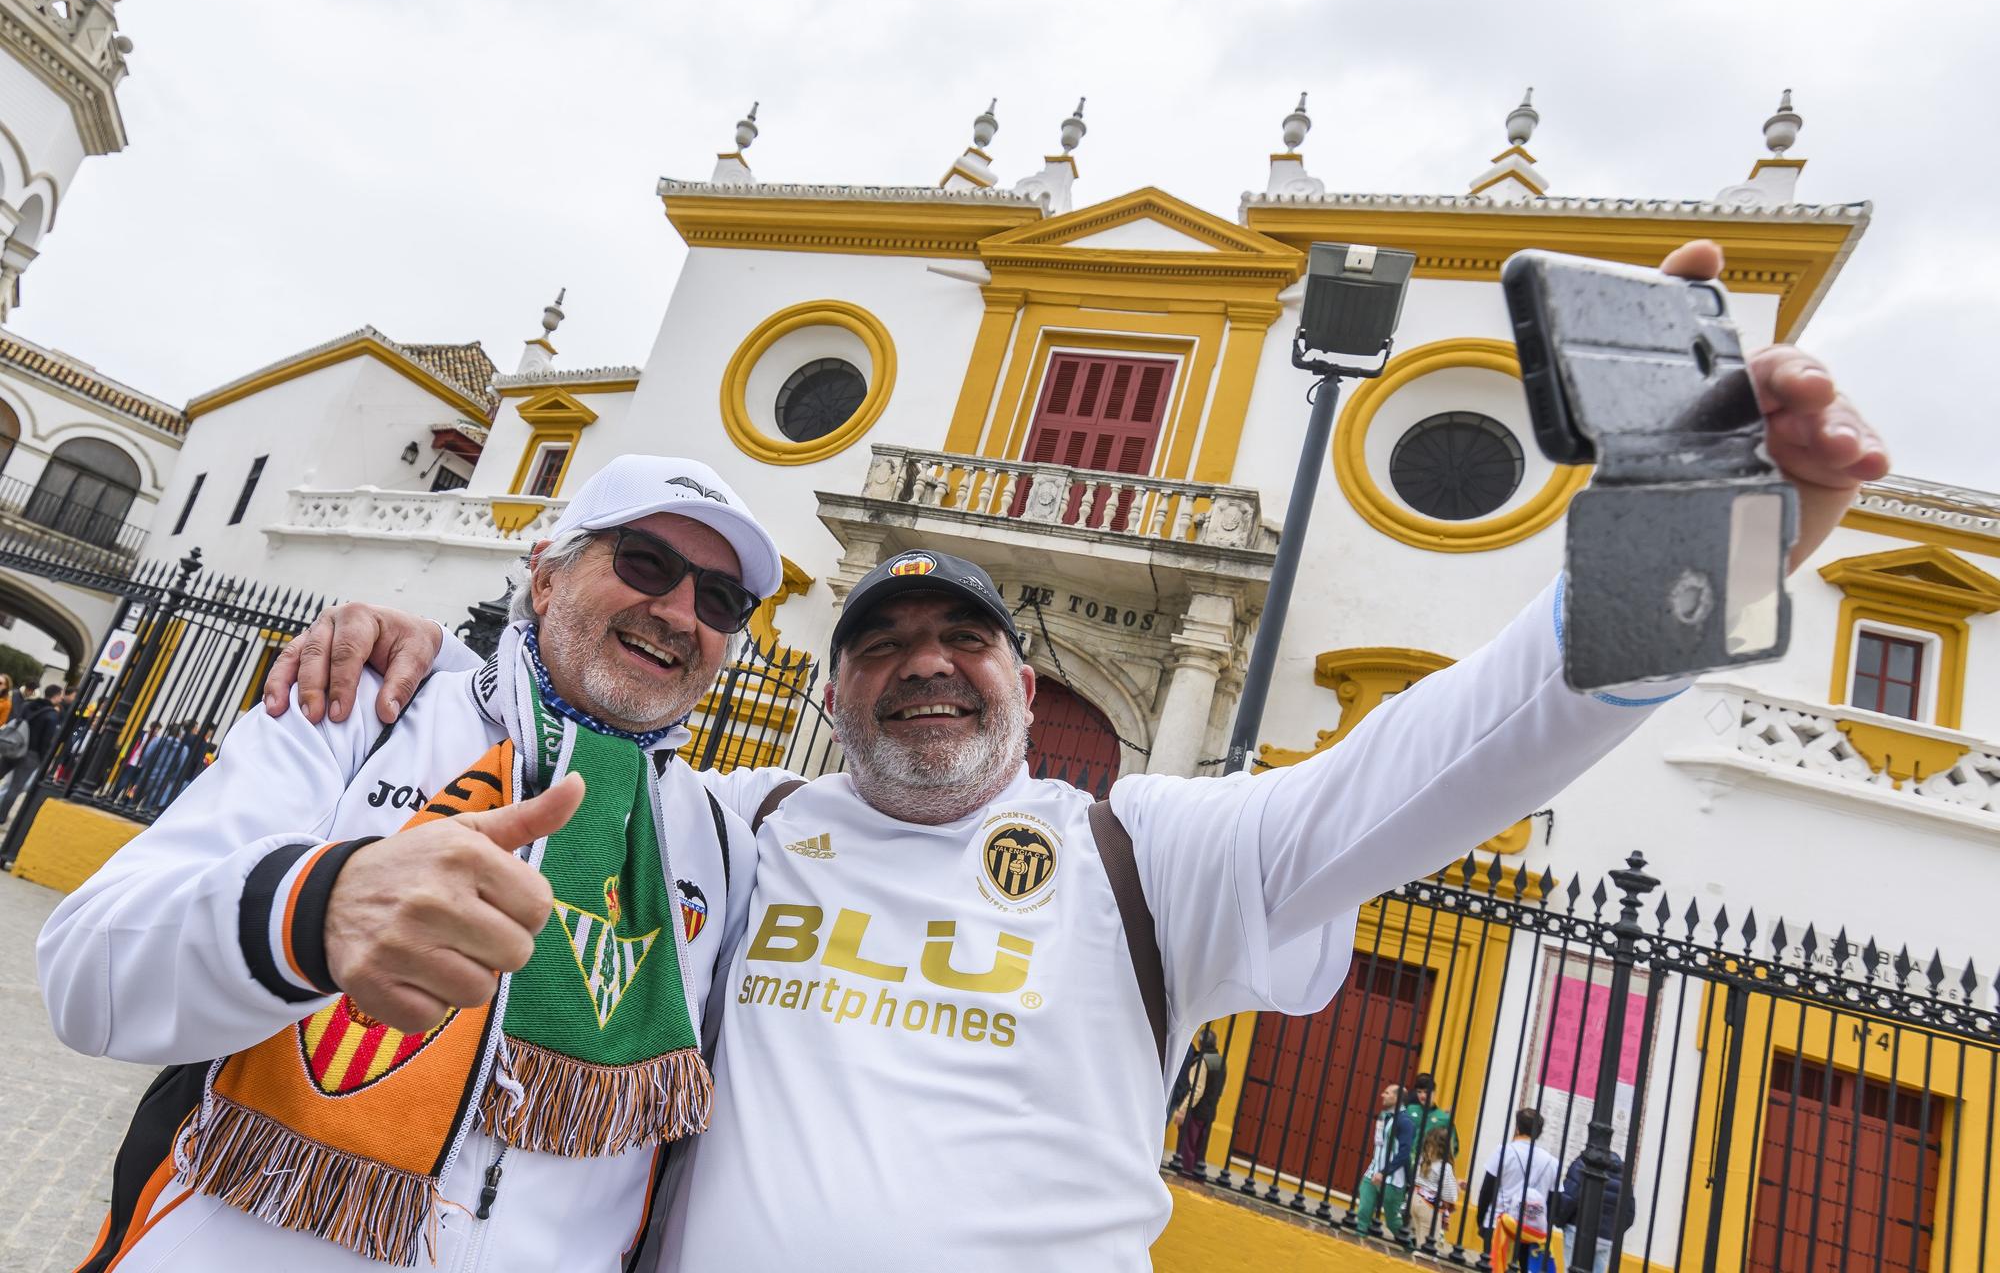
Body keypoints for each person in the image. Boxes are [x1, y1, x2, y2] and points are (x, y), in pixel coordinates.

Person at [260, 241, 1887, 1269]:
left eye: (962, 641)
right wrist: (417, 639)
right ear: (834, 694)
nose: (926, 670)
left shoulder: (1157, 854)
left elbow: (1456, 753)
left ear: (1024, 689)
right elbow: (565, 705)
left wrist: (1718, 553)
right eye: (882, 646)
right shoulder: (733, 825)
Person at [37, 456, 784, 1272]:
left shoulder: (722, 840)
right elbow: (87, 975)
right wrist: (312, 912)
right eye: (645, 561)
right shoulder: (363, 710)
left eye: (720, 600)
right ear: (544, 578)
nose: (680, 611)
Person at [1477, 1108, 1561, 1270]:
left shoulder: (1504, 1151)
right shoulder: (1552, 1162)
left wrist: (1481, 1220)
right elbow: (1553, 1202)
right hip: (1531, 1230)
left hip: (1500, 1224)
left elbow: (1487, 1190)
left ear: (1517, 1128)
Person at [0, 682, 67, 864]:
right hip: (31, 754)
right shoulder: (52, 715)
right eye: (61, 695)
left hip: (14, 746)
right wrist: (46, 760)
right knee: (15, 787)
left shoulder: (30, 704)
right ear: (55, 696)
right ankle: (1, 816)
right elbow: (47, 741)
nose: (62, 698)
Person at [1552, 1148, 1636, 1273]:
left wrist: (1560, 1221)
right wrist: (1611, 1231)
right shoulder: (1623, 1175)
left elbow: (1570, 1198)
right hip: (1605, 1238)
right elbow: (1629, 1213)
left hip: (1577, 1229)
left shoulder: (1583, 1163)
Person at [1354, 1083, 1416, 1237]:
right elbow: (1379, 1144)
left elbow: (1404, 1153)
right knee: (1363, 1212)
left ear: (1396, 1098)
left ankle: (1411, 1249)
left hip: (1392, 1180)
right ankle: (1359, 1241)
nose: (1383, 1095)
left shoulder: (1405, 1122)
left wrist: (1384, 1172)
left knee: (1393, 1222)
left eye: (1387, 1093)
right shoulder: (1382, 1116)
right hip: (1372, 1173)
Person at [1171, 1028, 1225, 1179]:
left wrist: (1182, 1110)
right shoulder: (1221, 1061)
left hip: (1196, 1111)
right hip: (1209, 1112)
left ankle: (1185, 1177)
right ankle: (1196, 1176)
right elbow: (1221, 1089)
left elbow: (1197, 1090)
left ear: (1200, 1043)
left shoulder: (1203, 1061)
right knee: (1199, 1149)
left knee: (1187, 1148)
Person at [1408, 1116, 1461, 1251]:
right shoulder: (1445, 1167)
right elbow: (1449, 1195)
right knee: (1429, 1247)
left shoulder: (1423, 1159)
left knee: (1420, 1239)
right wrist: (1456, 1188)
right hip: (1429, 1207)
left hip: (1416, 1199)